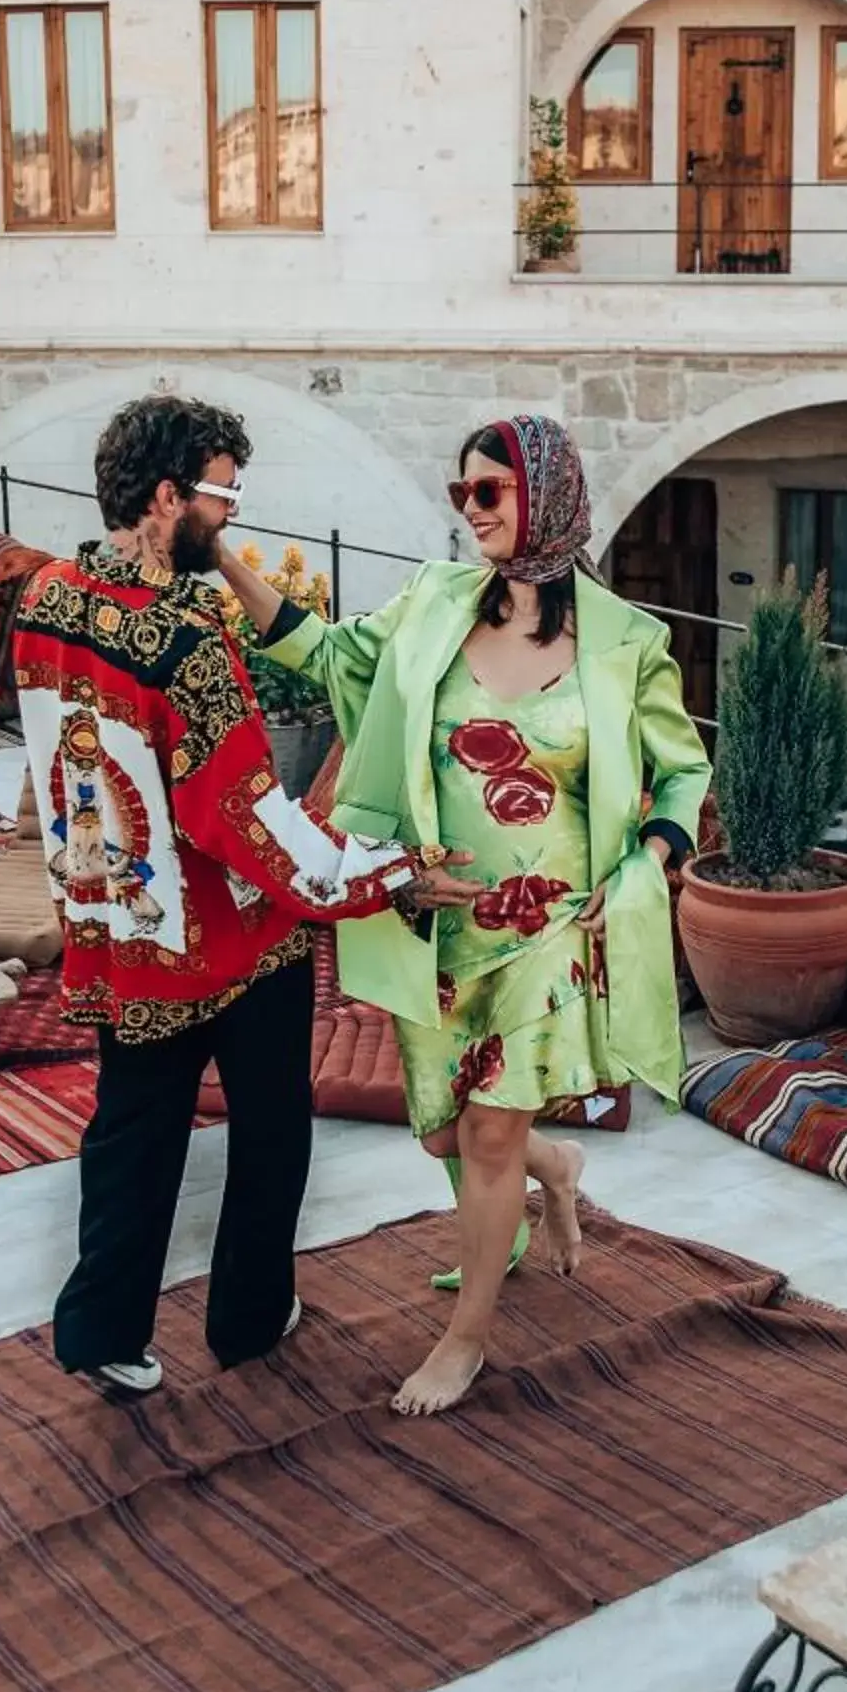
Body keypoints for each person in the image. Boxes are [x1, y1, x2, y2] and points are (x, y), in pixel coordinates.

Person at [216, 413, 709, 1415]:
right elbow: (326, 657)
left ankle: (466, 1338)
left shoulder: (627, 643)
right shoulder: (432, 604)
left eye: (489, 492)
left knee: (483, 1140)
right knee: (448, 1132)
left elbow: (682, 770)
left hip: (553, 929)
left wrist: (646, 868)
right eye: (461, 494)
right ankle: (557, 1167)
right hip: (433, 920)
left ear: (549, 500)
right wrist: (222, 554)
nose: (470, 512)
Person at [14, 393, 473, 1398]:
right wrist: (395, 876)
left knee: (132, 1126)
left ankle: (101, 1330)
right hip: (233, 936)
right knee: (271, 1127)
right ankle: (249, 1320)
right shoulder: (185, 641)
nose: (232, 519)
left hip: (122, 921)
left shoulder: (44, 600)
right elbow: (253, 825)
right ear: (168, 495)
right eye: (223, 497)